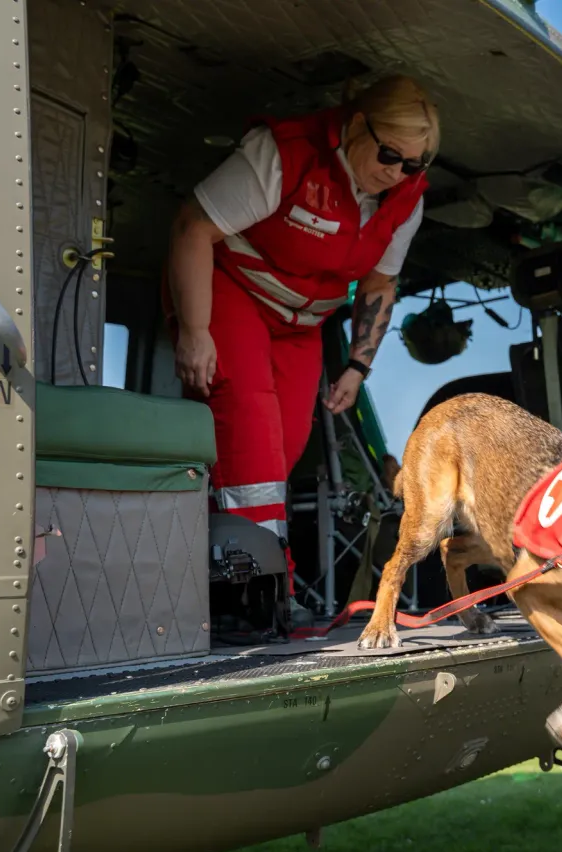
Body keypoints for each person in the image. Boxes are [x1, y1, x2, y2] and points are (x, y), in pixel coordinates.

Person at [163, 75, 438, 557]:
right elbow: (193, 226)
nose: (397, 173)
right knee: (247, 429)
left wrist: (357, 367)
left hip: (302, 327)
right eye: (389, 155)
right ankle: (256, 582)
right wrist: (194, 331)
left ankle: (215, 561)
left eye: (414, 164)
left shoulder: (406, 198)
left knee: (286, 446)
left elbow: (379, 283)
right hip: (234, 294)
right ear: (356, 125)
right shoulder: (286, 154)